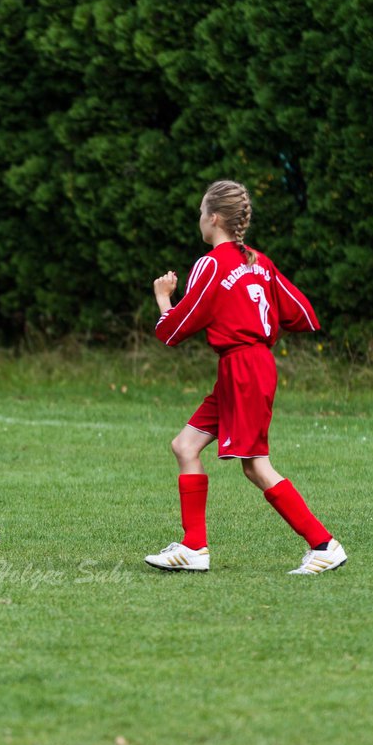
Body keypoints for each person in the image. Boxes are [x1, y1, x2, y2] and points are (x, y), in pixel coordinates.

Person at [145, 179, 346, 575]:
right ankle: (194, 547)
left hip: (242, 369)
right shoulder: (258, 261)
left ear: (214, 218)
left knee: (255, 465)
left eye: (202, 213)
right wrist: (257, 327)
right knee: (185, 445)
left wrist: (163, 297)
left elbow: (175, 329)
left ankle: (324, 545)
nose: (200, 220)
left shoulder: (211, 263)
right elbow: (302, 314)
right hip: (249, 366)